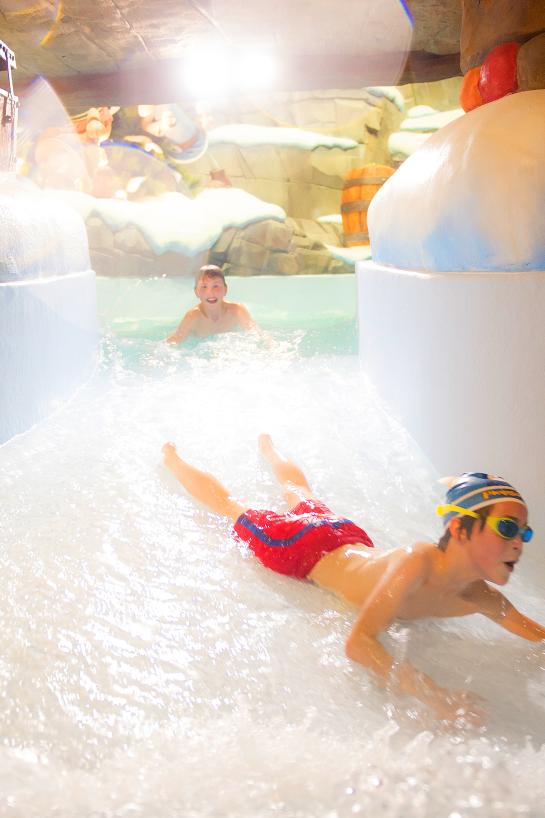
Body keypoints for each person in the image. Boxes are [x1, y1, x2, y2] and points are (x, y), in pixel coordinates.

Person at [162, 434, 545, 725]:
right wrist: (436, 696)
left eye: (524, 532)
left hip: (345, 535)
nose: (519, 542)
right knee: (231, 506)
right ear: (460, 528)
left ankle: (269, 447)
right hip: (299, 547)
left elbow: (537, 636)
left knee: (299, 492)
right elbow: (359, 643)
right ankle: (173, 459)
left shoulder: (483, 598)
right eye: (507, 527)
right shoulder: (417, 561)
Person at [166, 264, 257, 344]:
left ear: (225, 289)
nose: (210, 292)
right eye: (204, 286)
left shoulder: (236, 311)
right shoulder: (193, 316)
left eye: (216, 286)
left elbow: (256, 334)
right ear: (196, 292)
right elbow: (175, 340)